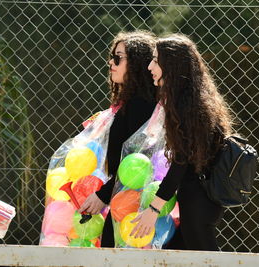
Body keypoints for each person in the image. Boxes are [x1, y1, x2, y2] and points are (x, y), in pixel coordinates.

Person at [130, 33, 234, 251]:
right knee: (177, 253)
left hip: (199, 200)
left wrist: (153, 209)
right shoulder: (190, 101)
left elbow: (180, 163)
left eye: (156, 60)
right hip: (197, 198)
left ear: (173, 66)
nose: (150, 66)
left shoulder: (187, 107)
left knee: (205, 259)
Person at [78, 30, 158, 247]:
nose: (111, 63)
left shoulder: (141, 104)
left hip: (134, 206)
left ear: (137, 63)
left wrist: (103, 195)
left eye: (118, 58)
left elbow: (139, 161)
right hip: (124, 200)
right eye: (111, 57)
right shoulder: (129, 102)